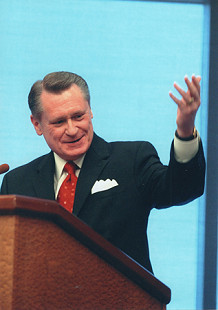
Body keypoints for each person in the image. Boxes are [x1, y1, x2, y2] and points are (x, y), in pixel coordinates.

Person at [0, 71, 205, 273]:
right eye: (59, 122)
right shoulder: (17, 183)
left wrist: (185, 130)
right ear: (37, 124)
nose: (72, 130)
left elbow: (182, 188)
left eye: (78, 116)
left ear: (90, 111)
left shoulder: (131, 160)